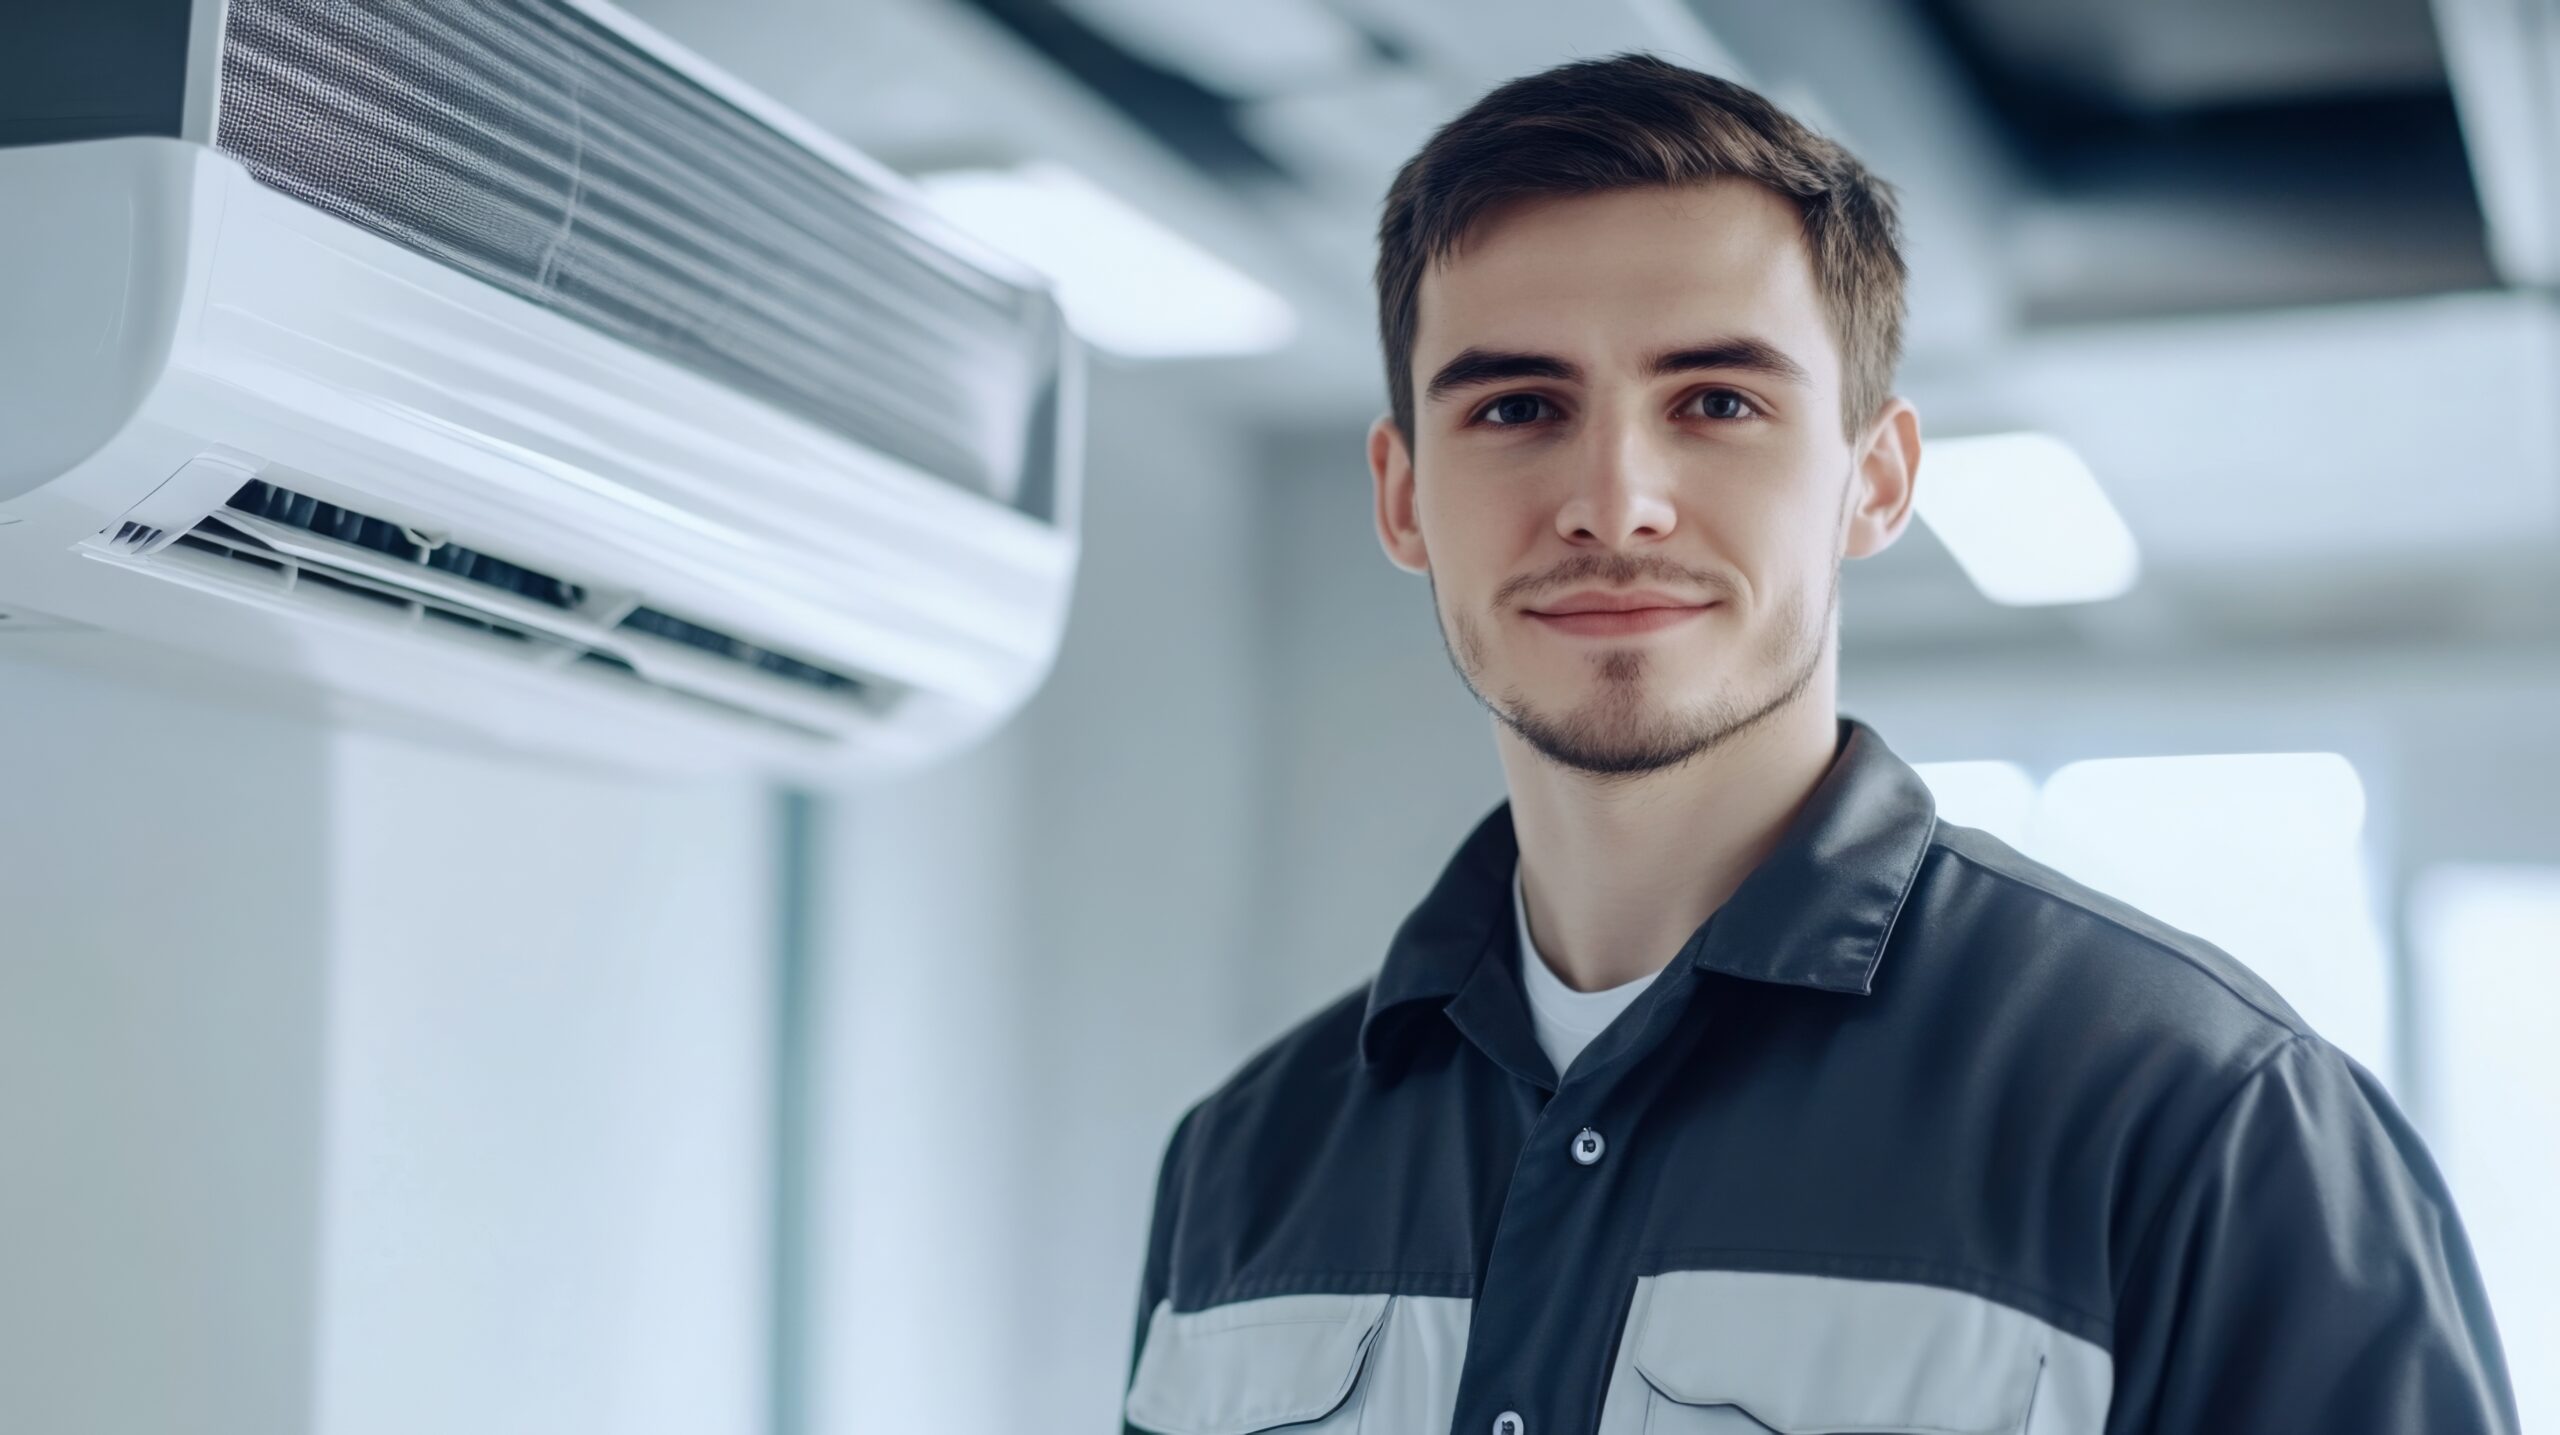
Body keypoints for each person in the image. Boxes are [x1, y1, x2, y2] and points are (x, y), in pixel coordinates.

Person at [1120, 51, 2519, 1435]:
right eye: (1518, 407)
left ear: (1877, 478)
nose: (1616, 501)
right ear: (1405, 494)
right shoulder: (1245, 1164)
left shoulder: (2199, 1121)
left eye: (1717, 402)